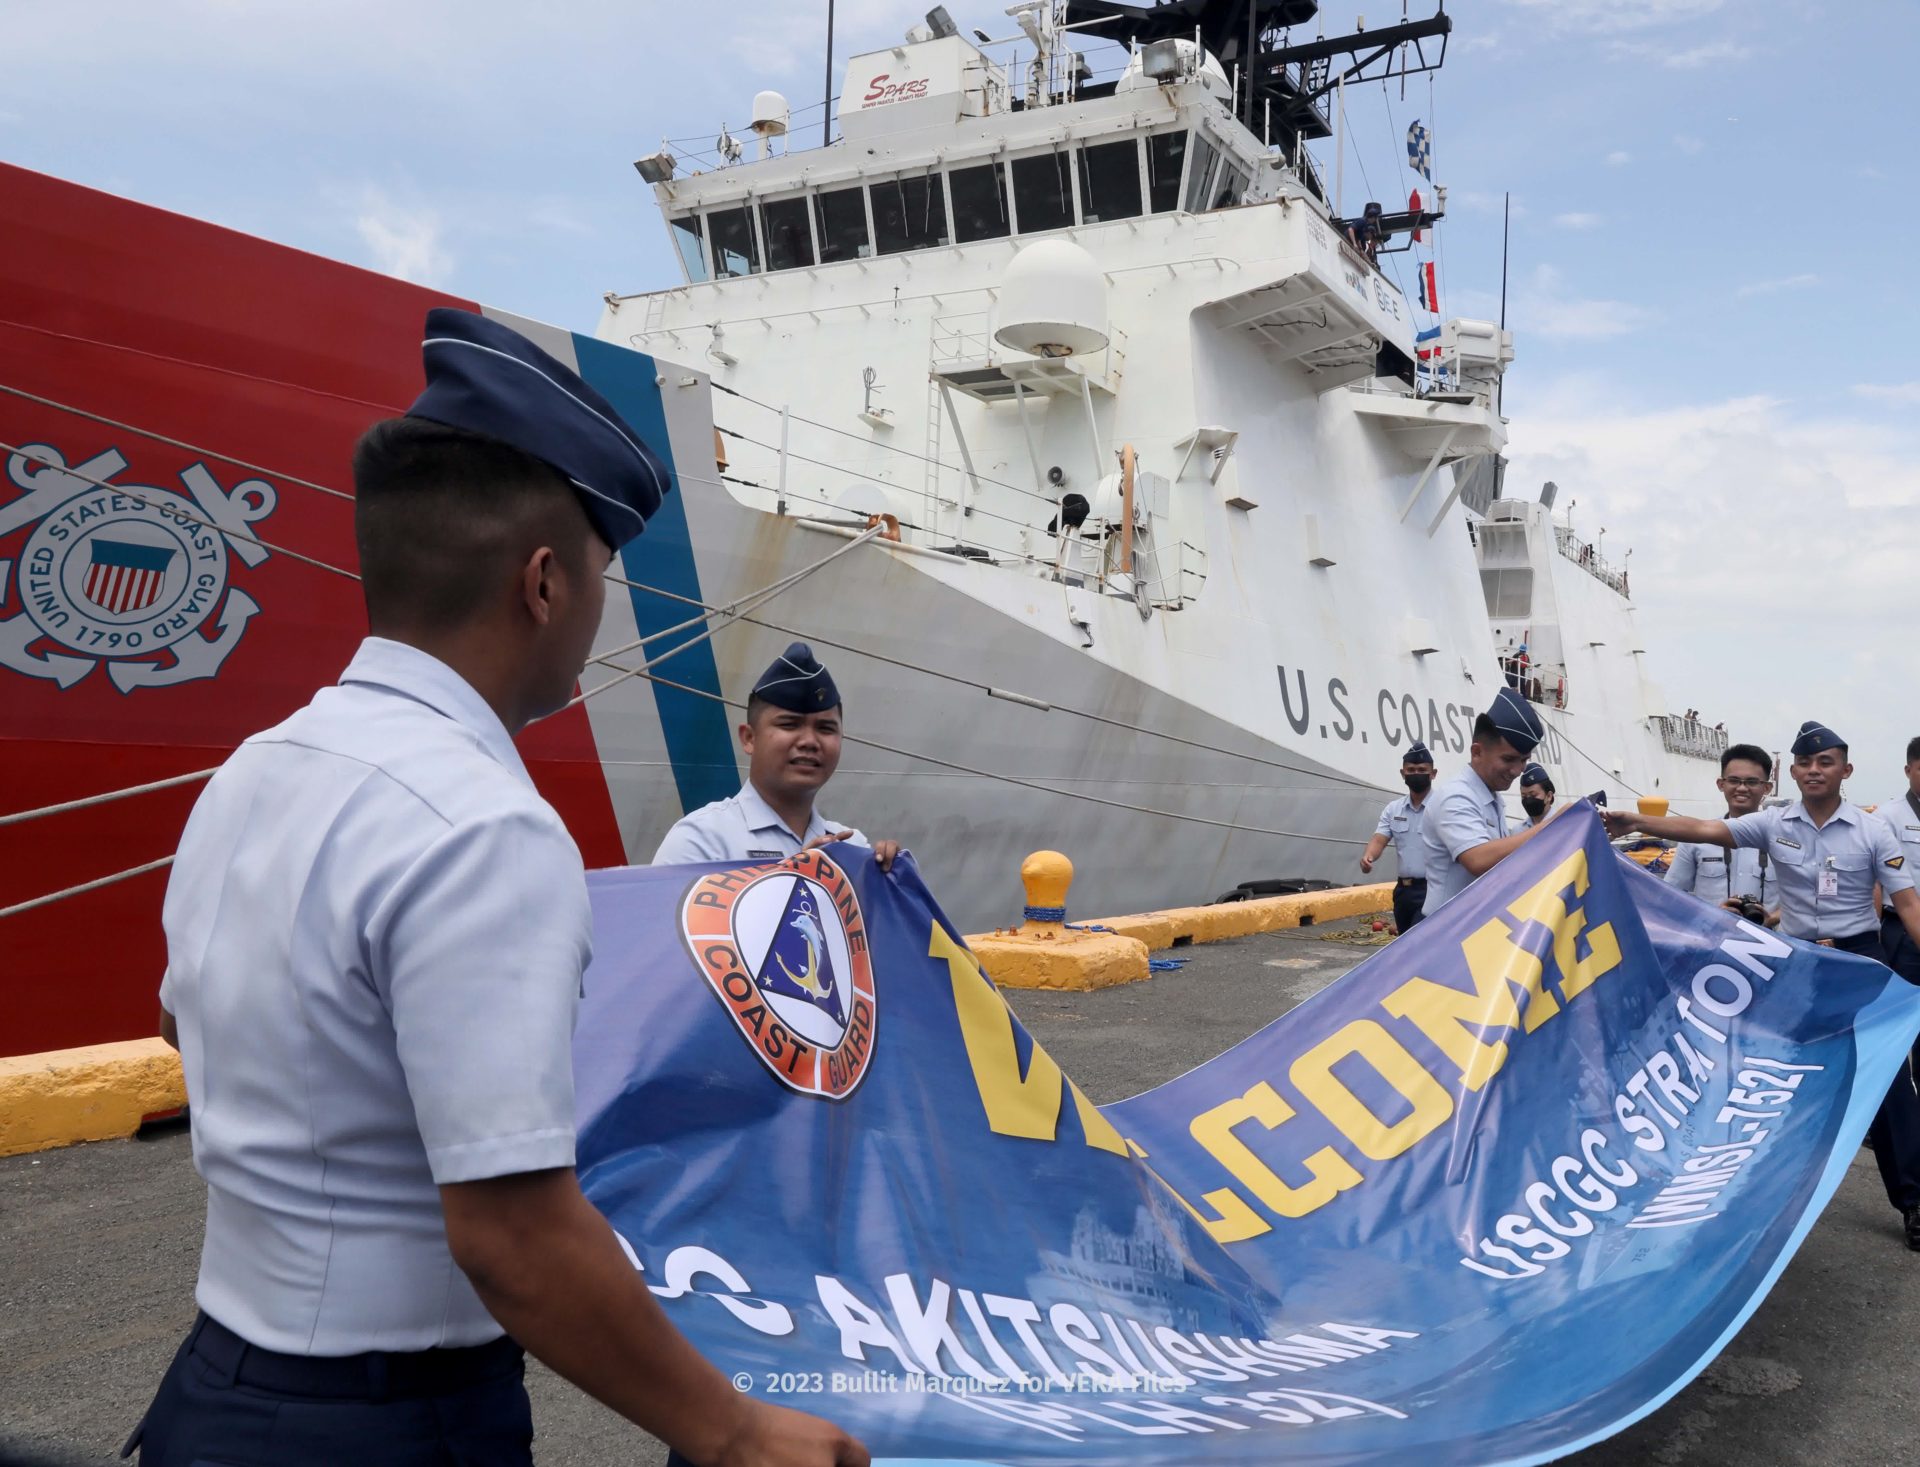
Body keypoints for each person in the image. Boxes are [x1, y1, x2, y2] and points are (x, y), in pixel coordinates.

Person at [136, 309, 868, 1466]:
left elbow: (188, 1018)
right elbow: (513, 1240)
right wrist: (733, 1436)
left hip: (215, 1389)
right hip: (382, 1426)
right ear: (542, 583)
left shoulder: (254, 769)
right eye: (597, 577)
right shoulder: (486, 826)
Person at [1605, 720, 1920, 1251]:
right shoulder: (1774, 825)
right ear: (1791, 772)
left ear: (1846, 770)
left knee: (1889, 1081)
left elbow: (1907, 904)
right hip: (1797, 965)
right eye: (1805, 763)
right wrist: (1631, 820)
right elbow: (1703, 831)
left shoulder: (1873, 831)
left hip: (1859, 963)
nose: (1814, 770)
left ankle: (1914, 1201)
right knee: (1763, 1080)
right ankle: (1745, 1202)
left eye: (1825, 763)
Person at [652, 642, 899, 870]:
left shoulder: (853, 846)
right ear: (749, 738)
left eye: (825, 729)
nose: (809, 742)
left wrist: (894, 881)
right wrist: (796, 877)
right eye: (789, 725)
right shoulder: (701, 843)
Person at [1419, 688, 1556, 917]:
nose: (1517, 771)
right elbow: (1478, 859)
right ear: (1477, 752)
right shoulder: (1455, 796)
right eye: (1509, 759)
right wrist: (1553, 826)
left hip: (1471, 926)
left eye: (1524, 760)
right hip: (1446, 931)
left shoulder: (1490, 797)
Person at [1666, 743, 1778, 922]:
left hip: (1771, 940)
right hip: (1709, 940)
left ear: (1767, 788)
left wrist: (1772, 918)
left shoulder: (1783, 839)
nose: (1742, 788)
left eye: (1752, 782)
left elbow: (1805, 900)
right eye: (1734, 781)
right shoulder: (1695, 840)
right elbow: (1670, 895)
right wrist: (1712, 913)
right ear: (1721, 784)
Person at [1360, 741, 1436, 933]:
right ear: (1403, 774)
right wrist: (1368, 857)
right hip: (1403, 892)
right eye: (1411, 769)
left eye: (1421, 769)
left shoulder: (1443, 807)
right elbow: (1380, 839)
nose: (1416, 774)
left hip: (1432, 889)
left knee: (1417, 943)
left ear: (1433, 773)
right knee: (1404, 945)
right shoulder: (1394, 809)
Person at [1873, 735, 1920, 986]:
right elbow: (1874, 883)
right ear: (1908, 770)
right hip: (1902, 932)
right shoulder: (1887, 817)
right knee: (1905, 1007)